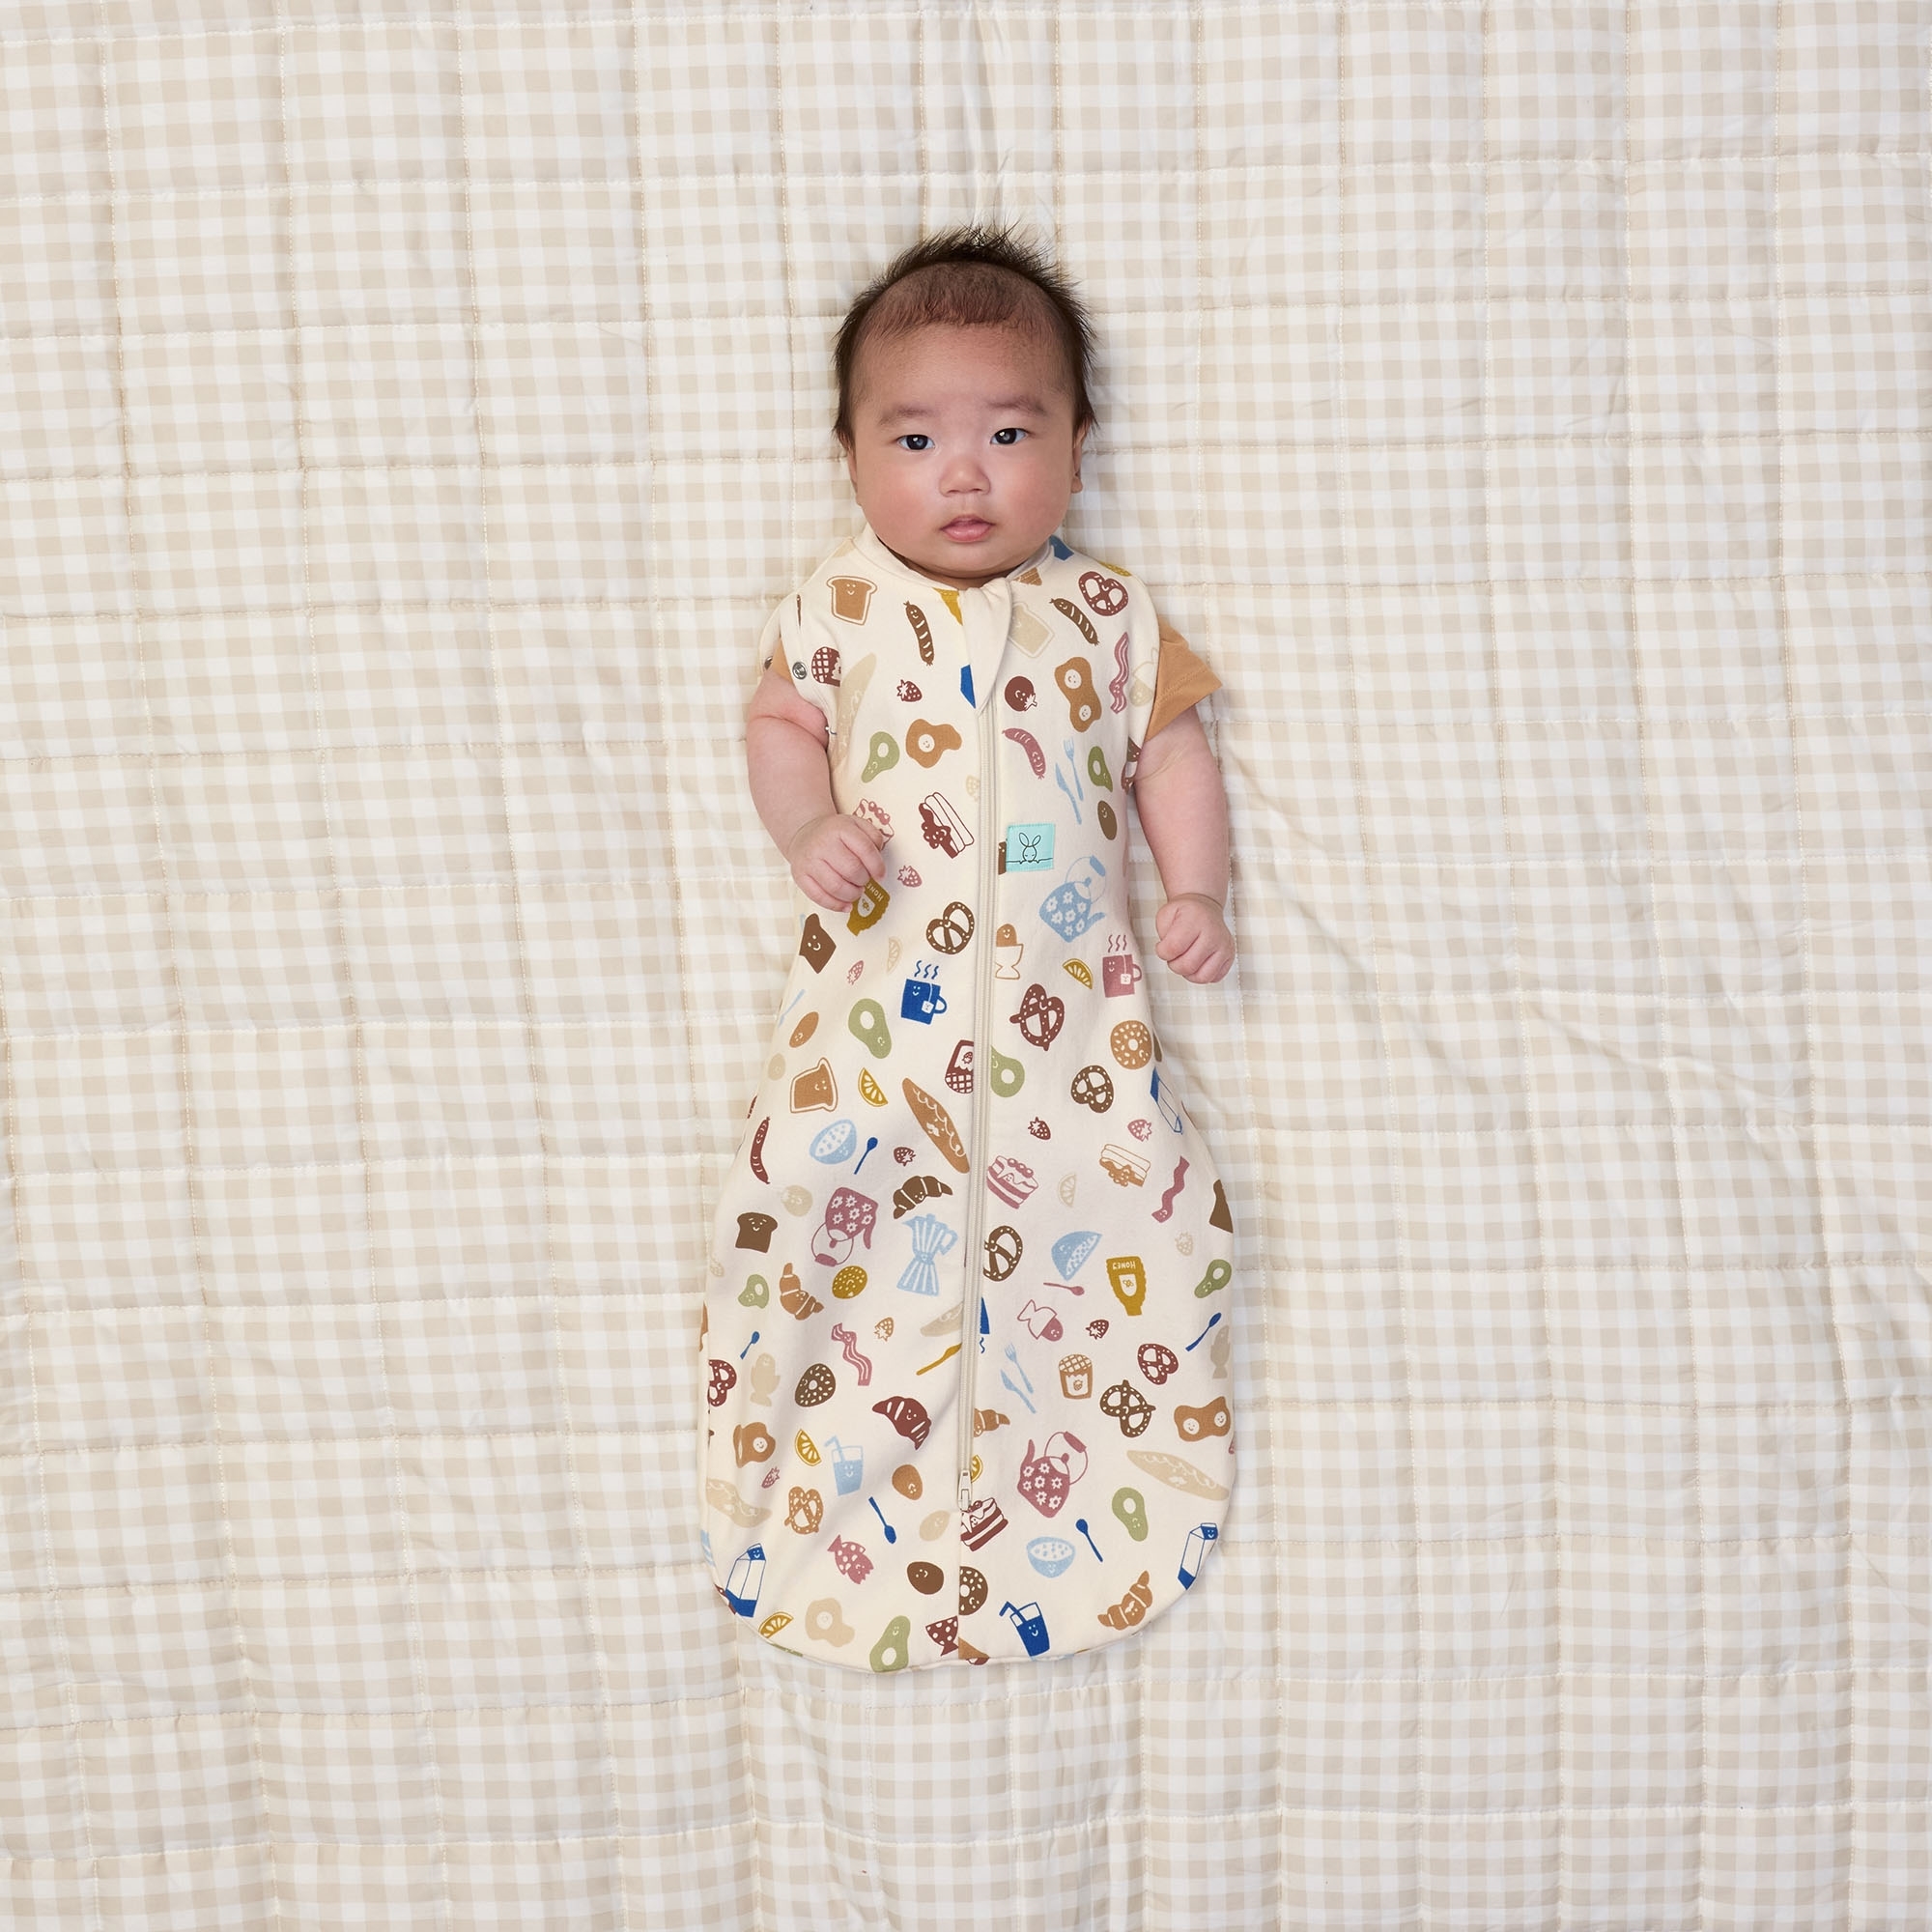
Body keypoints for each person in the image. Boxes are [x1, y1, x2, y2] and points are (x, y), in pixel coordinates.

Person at [698, 226, 1238, 1672]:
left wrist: (1197, 890)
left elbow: (1174, 757)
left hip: (1073, 1050)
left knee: (1115, 1231)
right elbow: (778, 725)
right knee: (823, 1225)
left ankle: (1090, 1516)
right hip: (872, 1039)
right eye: (915, 438)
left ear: (1076, 447)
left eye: (1010, 432)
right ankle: (822, 1510)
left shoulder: (1109, 618)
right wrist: (806, 824)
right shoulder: (837, 608)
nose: (964, 474)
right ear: (849, 456)